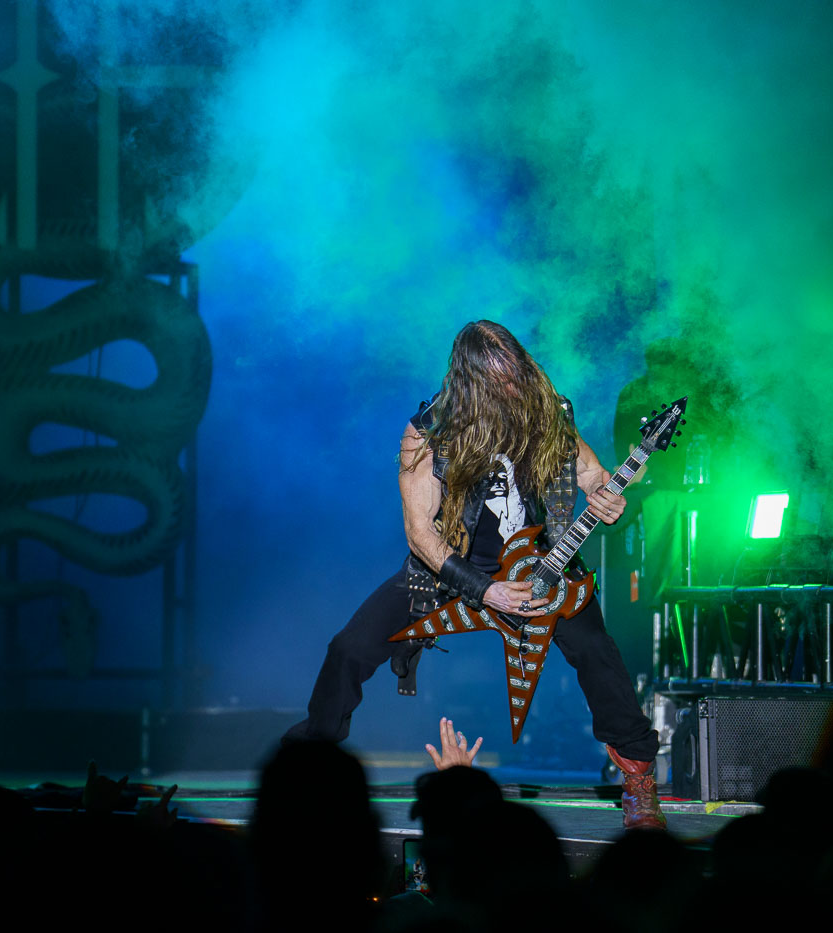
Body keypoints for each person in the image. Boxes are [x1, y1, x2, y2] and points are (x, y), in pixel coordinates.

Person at [285, 321, 665, 830]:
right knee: (348, 649)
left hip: (541, 563)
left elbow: (591, 474)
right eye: (499, 383)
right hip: (456, 565)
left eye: (517, 377)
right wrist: (485, 590)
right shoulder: (429, 431)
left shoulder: (548, 411)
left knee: (597, 651)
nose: (513, 390)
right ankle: (307, 768)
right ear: (470, 383)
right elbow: (420, 534)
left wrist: (607, 495)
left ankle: (638, 776)